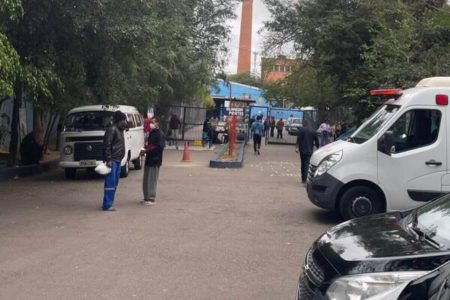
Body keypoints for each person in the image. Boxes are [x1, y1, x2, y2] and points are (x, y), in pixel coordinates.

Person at [101, 110, 127, 211]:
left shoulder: (120, 130)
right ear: (120, 120)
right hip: (112, 160)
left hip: (118, 160)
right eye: (124, 120)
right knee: (110, 183)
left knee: (115, 183)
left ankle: (109, 202)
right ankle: (107, 205)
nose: (125, 122)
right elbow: (107, 145)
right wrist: (108, 159)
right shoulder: (112, 129)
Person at [142, 117, 164, 205]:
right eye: (151, 122)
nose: (151, 124)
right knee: (146, 179)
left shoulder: (160, 134)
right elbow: (149, 145)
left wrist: (148, 150)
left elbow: (159, 148)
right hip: (149, 159)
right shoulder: (152, 133)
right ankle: (146, 197)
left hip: (155, 160)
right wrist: (145, 149)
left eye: (153, 122)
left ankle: (151, 198)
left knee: (152, 179)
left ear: (157, 123)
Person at [296, 120, 319, 184]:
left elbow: (298, 139)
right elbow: (316, 140)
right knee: (307, 164)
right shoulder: (313, 131)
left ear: (303, 124)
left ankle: (303, 178)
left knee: (303, 163)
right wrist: (318, 147)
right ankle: (305, 179)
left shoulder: (301, 130)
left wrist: (297, 147)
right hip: (309, 150)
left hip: (302, 150)